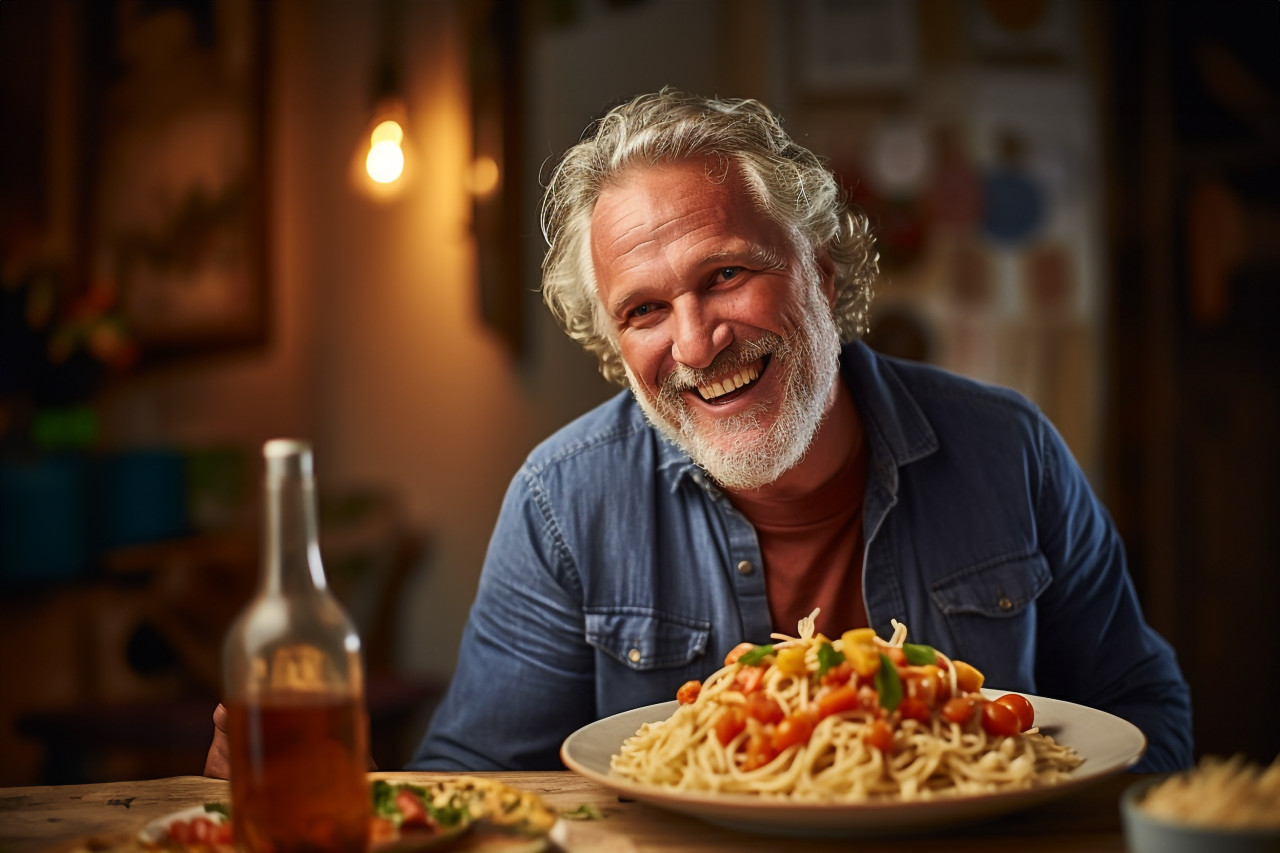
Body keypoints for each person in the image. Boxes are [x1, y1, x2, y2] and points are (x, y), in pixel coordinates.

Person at [203, 89, 1192, 779]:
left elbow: (1144, 715)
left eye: (725, 274)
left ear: (824, 271)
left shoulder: (1008, 450)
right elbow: (481, 785)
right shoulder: (562, 502)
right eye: (641, 311)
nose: (694, 341)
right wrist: (353, 796)